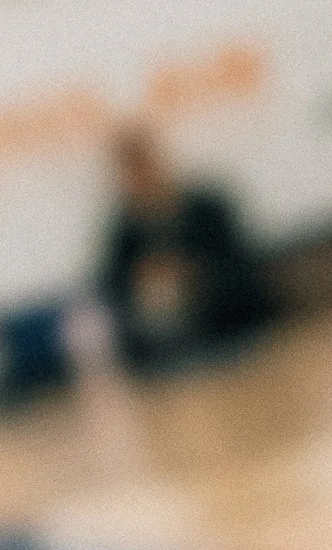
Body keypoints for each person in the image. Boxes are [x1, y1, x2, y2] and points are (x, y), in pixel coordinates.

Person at [97, 125, 275, 372]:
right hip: (162, 361)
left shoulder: (208, 210)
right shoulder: (124, 235)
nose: (139, 177)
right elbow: (111, 299)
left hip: (236, 340)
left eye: (144, 165)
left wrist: (196, 276)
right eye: (129, 171)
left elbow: (247, 275)